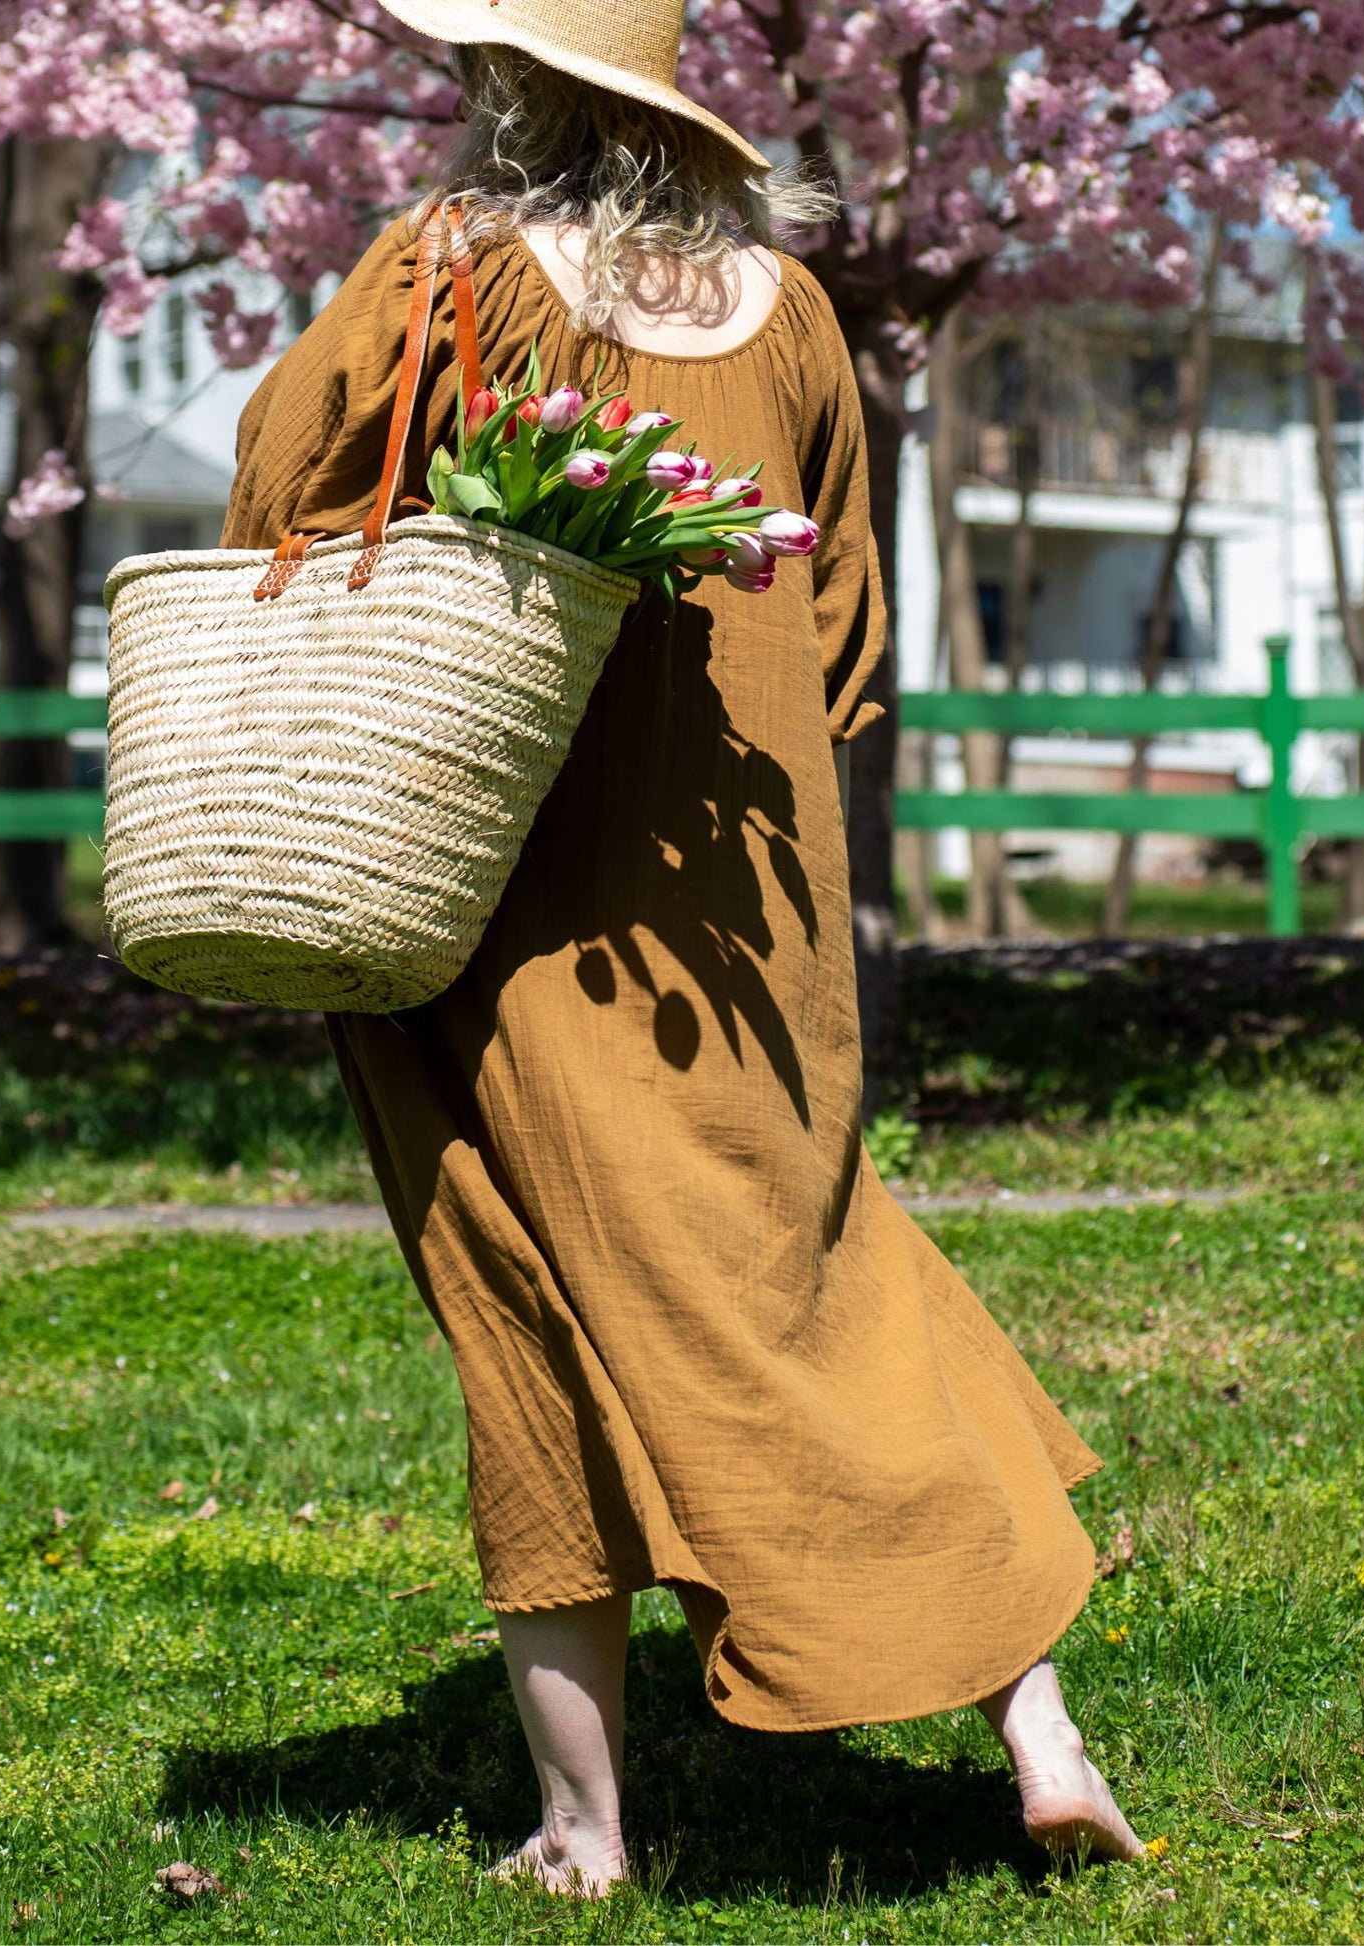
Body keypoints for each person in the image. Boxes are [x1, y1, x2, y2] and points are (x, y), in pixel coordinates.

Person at [220, 0, 1144, 1896]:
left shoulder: (449, 270)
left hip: (520, 895)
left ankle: (584, 1827)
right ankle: (1033, 1722)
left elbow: (277, 503)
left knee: (530, 1304)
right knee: (819, 1276)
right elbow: (851, 645)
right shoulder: (790, 314)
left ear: (509, 84)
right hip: (752, 906)